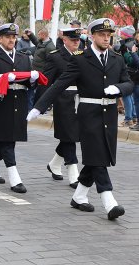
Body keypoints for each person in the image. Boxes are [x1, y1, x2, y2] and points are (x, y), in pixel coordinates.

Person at [28, 18, 133, 221]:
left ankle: (79, 196)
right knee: (98, 158)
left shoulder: (116, 58)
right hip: (89, 114)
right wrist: (39, 107)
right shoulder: (80, 59)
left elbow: (129, 83)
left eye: (108, 35)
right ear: (92, 36)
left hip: (109, 115)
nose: (106, 38)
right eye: (101, 34)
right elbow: (59, 84)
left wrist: (118, 88)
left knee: (96, 158)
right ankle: (109, 201)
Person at [0, 23, 39, 194]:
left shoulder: (22, 58)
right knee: (7, 140)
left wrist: (33, 79)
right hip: (1, 102)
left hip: (18, 102)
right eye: (8, 37)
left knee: (8, 138)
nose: (12, 40)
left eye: (14, 37)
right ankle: (15, 178)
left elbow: (28, 84)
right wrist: (5, 78)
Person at [43, 28, 82, 188]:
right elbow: (46, 81)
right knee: (69, 137)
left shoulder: (82, 56)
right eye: (73, 40)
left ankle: (54, 164)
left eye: (78, 40)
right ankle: (73, 172)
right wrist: (44, 102)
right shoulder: (55, 57)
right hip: (63, 100)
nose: (76, 43)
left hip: (80, 100)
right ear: (64, 40)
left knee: (72, 135)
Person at [117, 26, 136, 127]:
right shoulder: (132, 43)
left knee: (126, 96)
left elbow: (128, 60)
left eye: (122, 33)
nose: (120, 35)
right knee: (130, 96)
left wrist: (122, 50)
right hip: (130, 73)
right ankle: (133, 116)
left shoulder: (126, 45)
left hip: (127, 72)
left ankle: (128, 118)